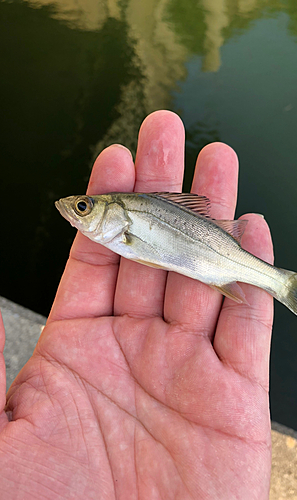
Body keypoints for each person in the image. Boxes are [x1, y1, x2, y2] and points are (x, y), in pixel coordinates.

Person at [0, 110, 274, 499]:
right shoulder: (120, 228)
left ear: (116, 214)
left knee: (259, 276)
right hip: (209, 260)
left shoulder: (125, 225)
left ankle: (281, 284)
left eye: (84, 208)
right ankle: (277, 282)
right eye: (83, 206)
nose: (74, 209)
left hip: (215, 260)